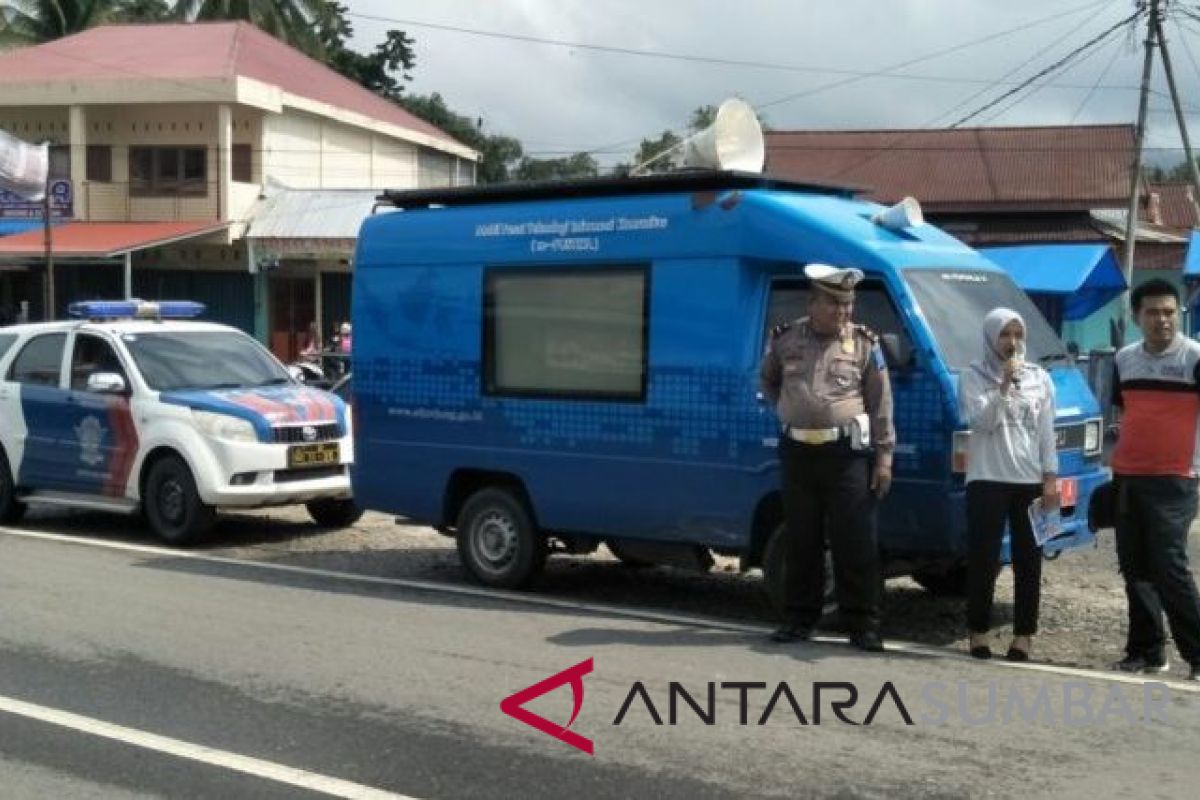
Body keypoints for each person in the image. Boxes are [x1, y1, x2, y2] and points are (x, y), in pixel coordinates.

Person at [760, 263, 895, 652]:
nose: (843, 313)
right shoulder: (786, 339)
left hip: (846, 452)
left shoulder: (865, 343)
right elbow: (768, 380)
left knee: (855, 540)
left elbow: (881, 403)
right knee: (802, 538)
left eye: (848, 305)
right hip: (798, 451)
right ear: (813, 303)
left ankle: (863, 624)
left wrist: (884, 458)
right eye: (835, 305)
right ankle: (799, 620)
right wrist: (788, 408)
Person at [1109, 279, 1200, 681]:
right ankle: (1146, 652)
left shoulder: (1195, 357)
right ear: (1136, 317)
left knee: (1170, 568)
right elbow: (1121, 411)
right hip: (1128, 475)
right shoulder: (1124, 359)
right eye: (1152, 312)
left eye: (1169, 312)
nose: (1162, 320)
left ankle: (1197, 655)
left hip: (1177, 479)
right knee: (1135, 568)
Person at [959, 308, 1058, 662]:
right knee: (983, 558)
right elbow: (981, 422)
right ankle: (979, 632)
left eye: (1017, 335)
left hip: (1028, 480)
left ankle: (1023, 637)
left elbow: (1046, 432)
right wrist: (1002, 385)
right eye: (1005, 334)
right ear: (991, 337)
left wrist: (1050, 478)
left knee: (1028, 560)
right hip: (987, 479)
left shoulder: (1039, 378)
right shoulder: (972, 376)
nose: (1012, 343)